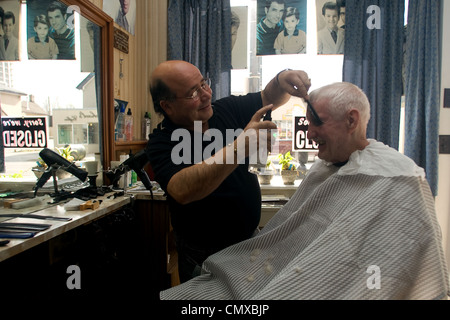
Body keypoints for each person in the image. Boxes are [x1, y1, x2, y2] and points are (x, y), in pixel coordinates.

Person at [160, 82, 450, 300]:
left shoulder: (400, 178)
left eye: (317, 122)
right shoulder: (326, 166)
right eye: (308, 123)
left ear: (351, 120)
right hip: (206, 252)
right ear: (167, 105)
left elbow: (399, 261)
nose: (308, 133)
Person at [146, 62, 310, 283]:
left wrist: (282, 78)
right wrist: (239, 147)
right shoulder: (161, 141)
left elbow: (270, 96)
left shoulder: (226, 109)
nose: (206, 95)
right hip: (202, 256)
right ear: (167, 106)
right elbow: (182, 189)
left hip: (249, 243)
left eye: (204, 83)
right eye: (193, 93)